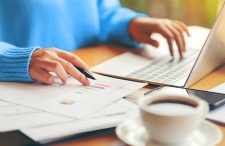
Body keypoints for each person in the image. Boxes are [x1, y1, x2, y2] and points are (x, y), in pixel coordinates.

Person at [0, 0, 189, 85]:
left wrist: (129, 24)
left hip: (87, 79)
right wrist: (17, 58)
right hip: (27, 88)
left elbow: (102, 11)